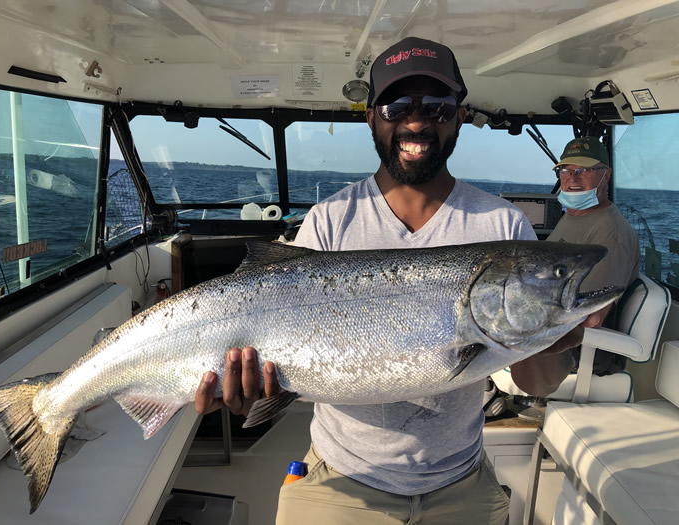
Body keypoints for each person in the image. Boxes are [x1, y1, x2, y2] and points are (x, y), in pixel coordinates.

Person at [195, 37, 600, 524]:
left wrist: (551, 342)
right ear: (371, 116)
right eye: (396, 105)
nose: (416, 121)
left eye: (437, 106)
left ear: (460, 116)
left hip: (461, 483)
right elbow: (276, 364)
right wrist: (249, 394)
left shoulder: (503, 227)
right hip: (341, 482)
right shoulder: (330, 220)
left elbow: (537, 382)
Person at [548, 136, 641, 375]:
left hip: (576, 353)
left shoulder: (610, 234)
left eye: (584, 170)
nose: (572, 177)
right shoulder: (572, 217)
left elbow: (592, 319)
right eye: (566, 170)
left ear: (606, 175)